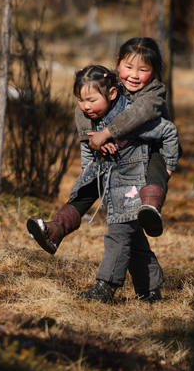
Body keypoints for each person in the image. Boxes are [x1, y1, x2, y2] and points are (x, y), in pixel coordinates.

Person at [28, 63, 179, 302]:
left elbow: (168, 131)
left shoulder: (131, 116)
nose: (85, 107)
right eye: (80, 100)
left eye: (90, 100)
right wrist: (86, 170)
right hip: (109, 176)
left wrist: (168, 166)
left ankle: (106, 286)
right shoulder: (91, 117)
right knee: (129, 233)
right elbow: (86, 146)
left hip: (134, 182)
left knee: (119, 232)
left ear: (111, 93)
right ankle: (149, 290)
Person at [26, 35, 171, 256]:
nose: (133, 75)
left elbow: (138, 114)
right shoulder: (113, 86)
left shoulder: (154, 93)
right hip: (120, 156)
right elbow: (85, 104)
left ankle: (150, 210)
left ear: (155, 71)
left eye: (143, 70)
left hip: (152, 151)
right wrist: (91, 139)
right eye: (128, 66)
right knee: (90, 189)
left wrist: (106, 133)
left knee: (126, 222)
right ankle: (55, 230)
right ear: (118, 63)